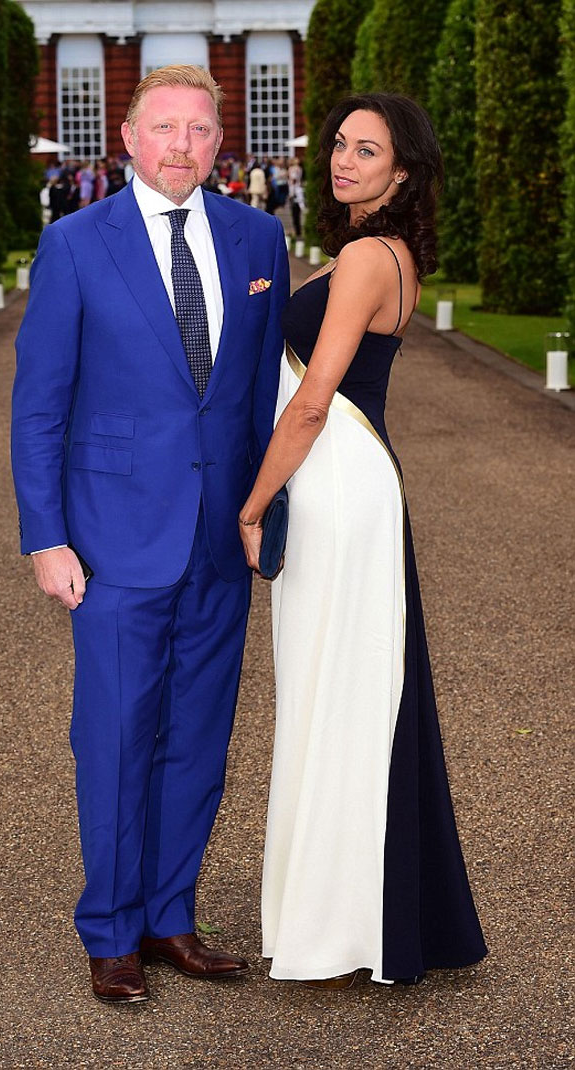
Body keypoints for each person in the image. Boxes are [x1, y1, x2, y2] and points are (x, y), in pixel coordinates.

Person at [11, 65, 289, 1005]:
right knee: (117, 737)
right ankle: (111, 930)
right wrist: (46, 537)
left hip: (219, 541)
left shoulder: (258, 237)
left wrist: (264, 513)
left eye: (199, 129)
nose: (181, 145)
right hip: (111, 542)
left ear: (219, 144)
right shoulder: (75, 243)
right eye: (163, 126)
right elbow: (40, 406)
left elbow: (259, 395)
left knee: (200, 740)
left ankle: (171, 919)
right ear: (129, 138)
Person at [238, 92, 487, 987]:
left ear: (403, 172)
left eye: (367, 150)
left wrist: (252, 506)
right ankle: (352, 915)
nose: (344, 160)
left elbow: (312, 402)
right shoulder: (393, 255)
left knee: (333, 695)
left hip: (334, 482)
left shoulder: (363, 257)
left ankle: (339, 926)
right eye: (341, 144)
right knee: (348, 692)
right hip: (358, 481)